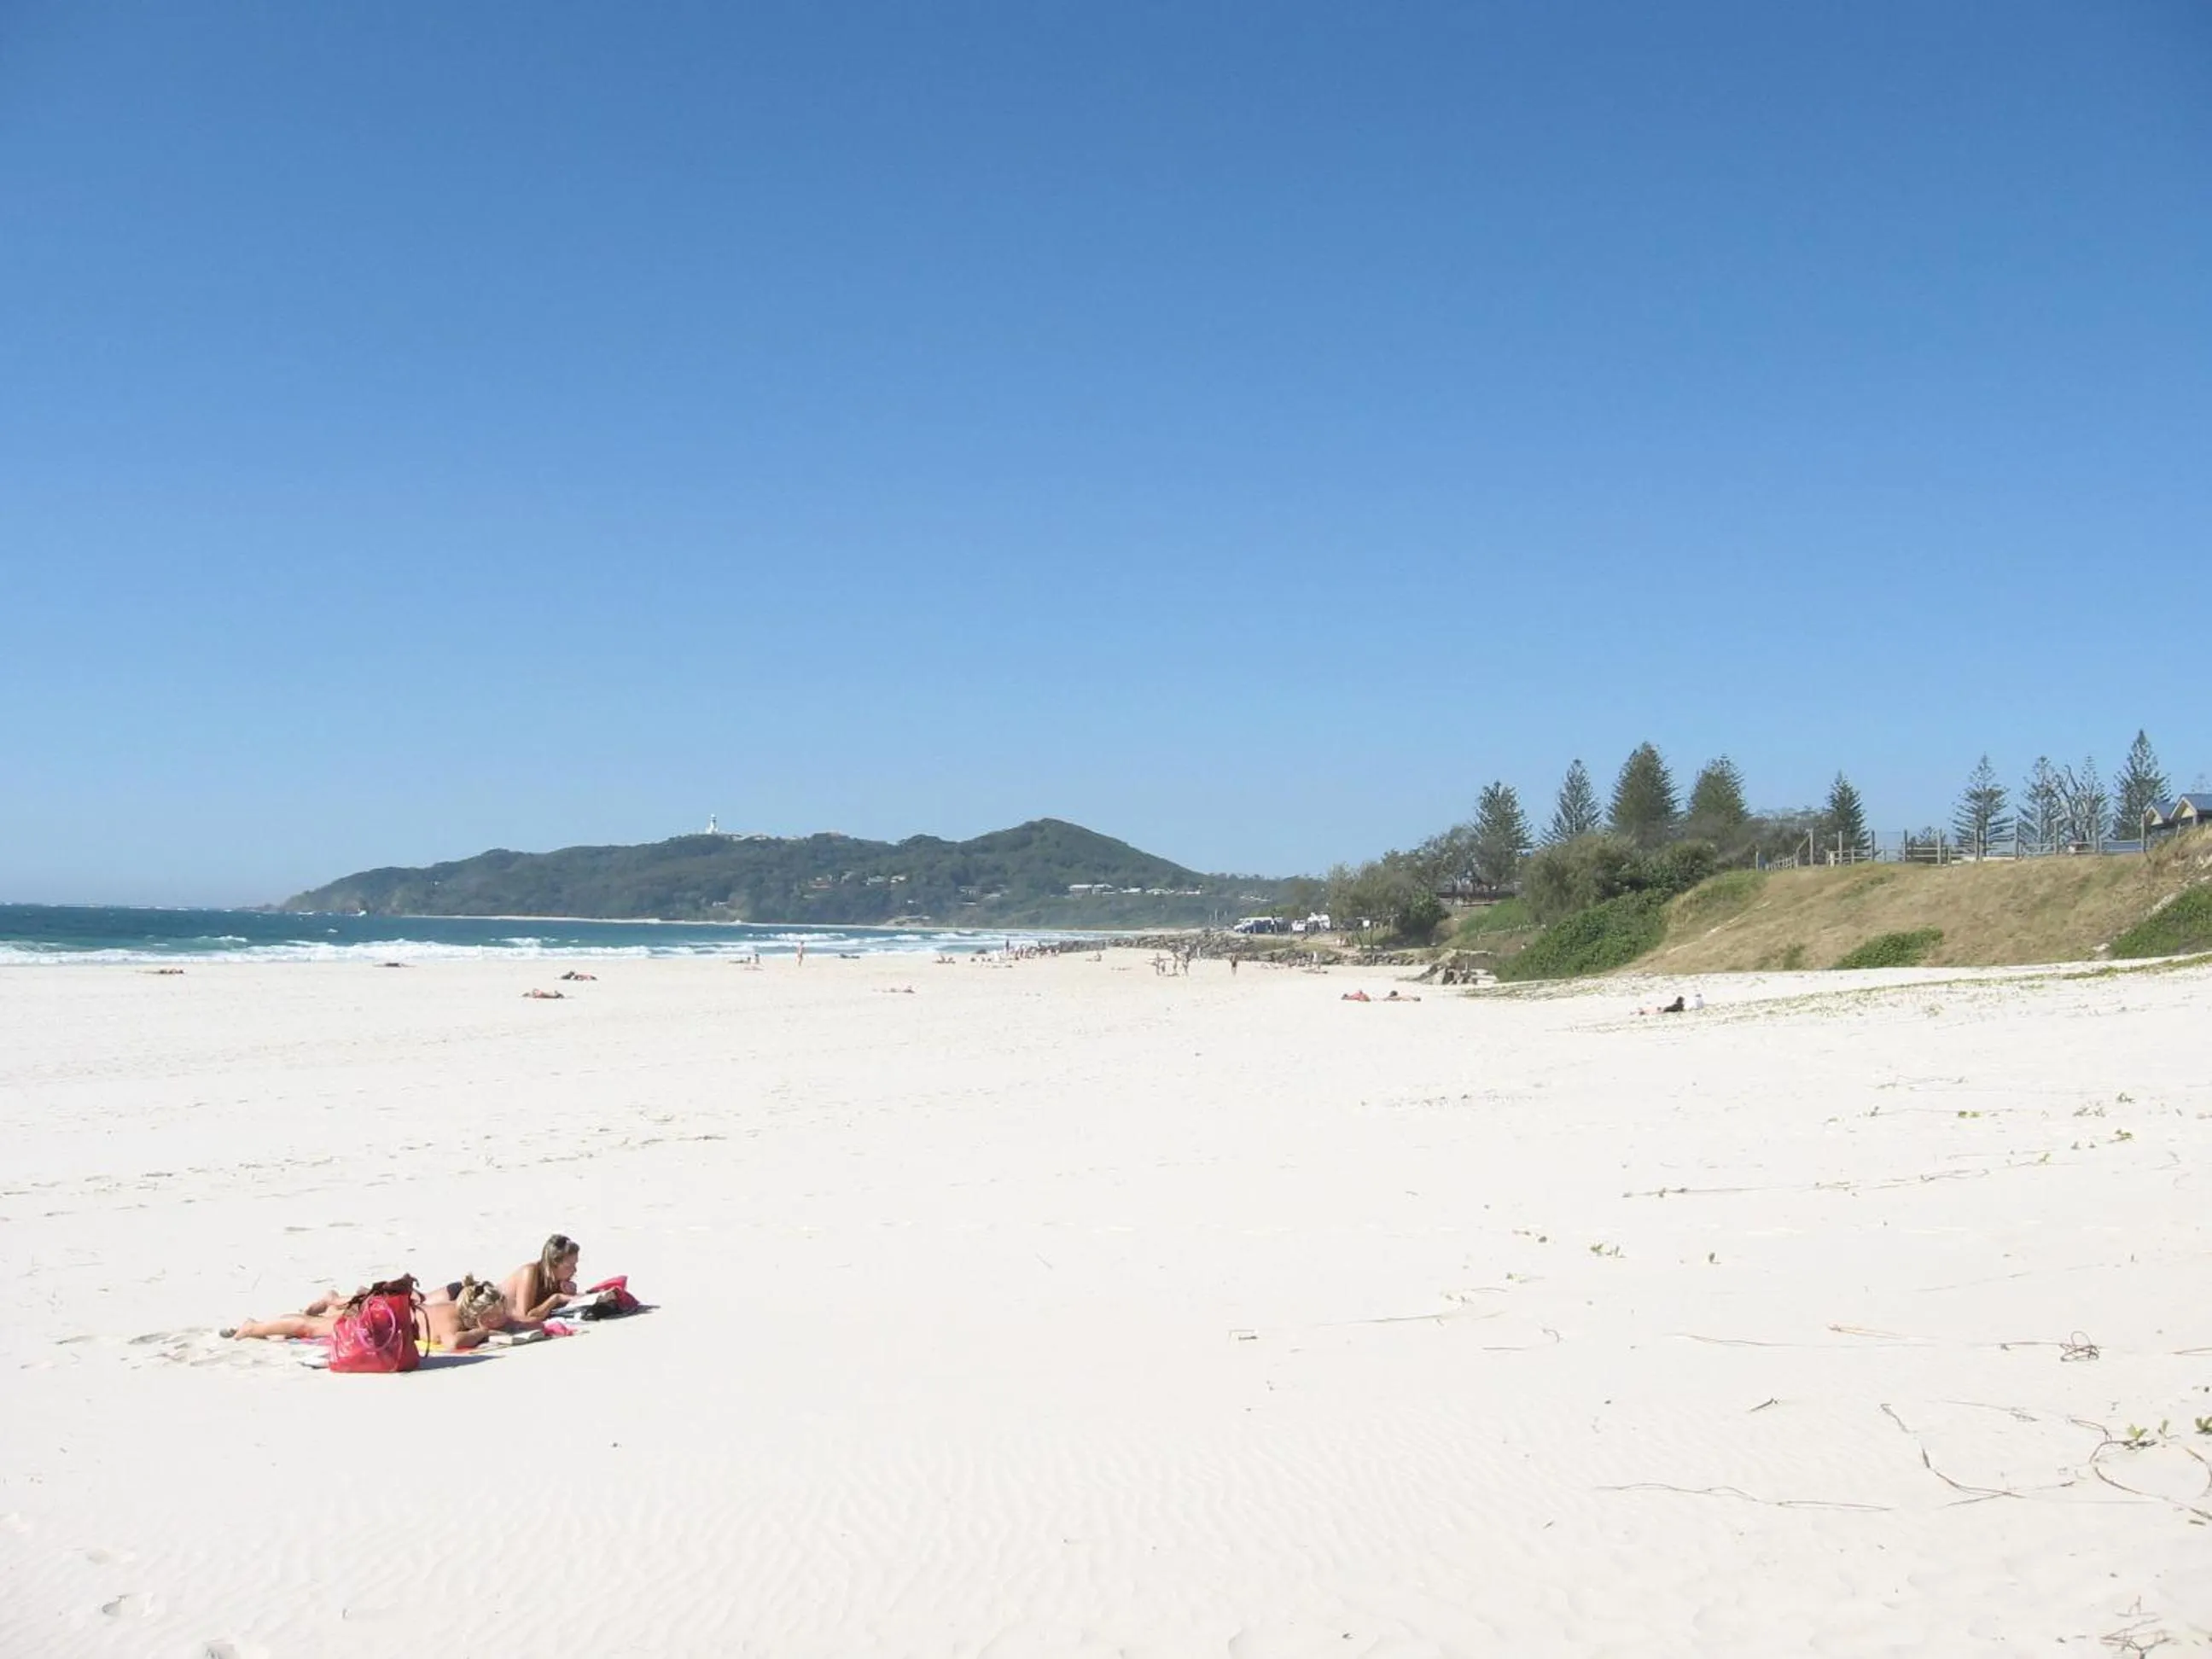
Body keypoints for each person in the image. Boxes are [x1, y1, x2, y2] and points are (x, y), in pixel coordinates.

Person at [503, 1233, 582, 1322]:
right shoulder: (530, 1272)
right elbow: (525, 1317)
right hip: (489, 1313)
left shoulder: (556, 1279)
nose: (575, 1270)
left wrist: (569, 1295)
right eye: (569, 1266)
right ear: (553, 1264)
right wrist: (556, 1298)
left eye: (575, 1264)